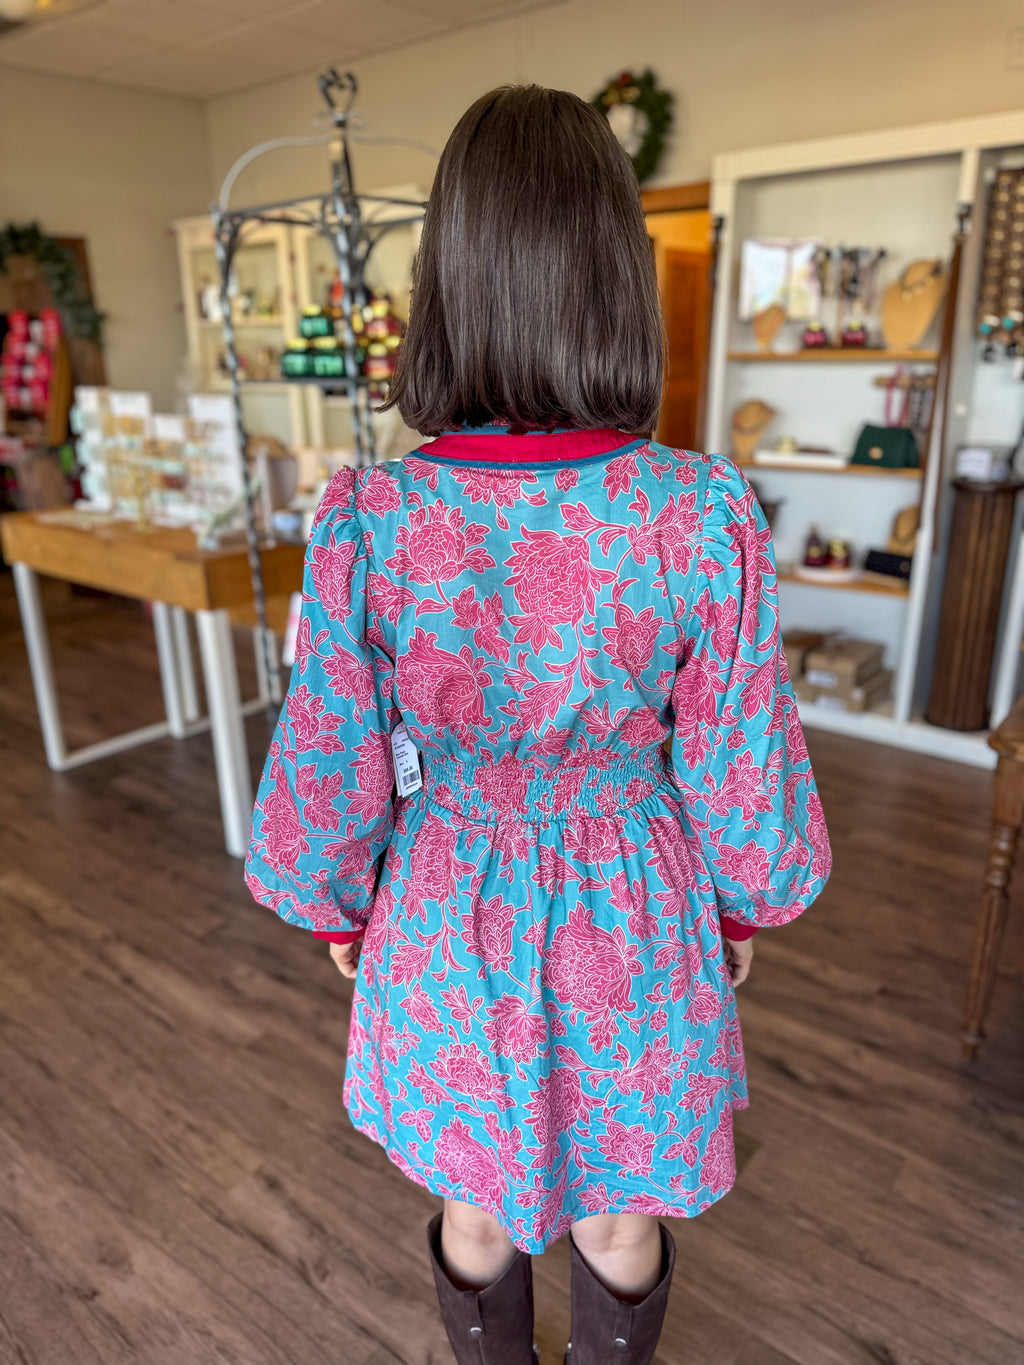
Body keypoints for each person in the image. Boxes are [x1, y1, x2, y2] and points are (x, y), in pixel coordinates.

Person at [245, 83, 831, 1365]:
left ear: (446, 278)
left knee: (476, 1196)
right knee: (619, 1215)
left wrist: (343, 904)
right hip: (632, 897)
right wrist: (740, 906)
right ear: (614, 276)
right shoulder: (696, 510)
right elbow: (745, 751)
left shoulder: (371, 517)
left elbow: (329, 750)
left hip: (450, 894)